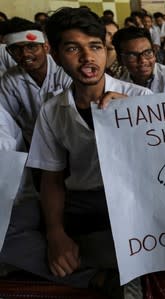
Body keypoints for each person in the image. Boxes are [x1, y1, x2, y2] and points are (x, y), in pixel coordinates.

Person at [21, 7, 152, 299]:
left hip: (137, 200)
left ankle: (111, 266)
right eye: (72, 48)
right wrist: (56, 234)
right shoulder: (54, 110)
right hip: (85, 202)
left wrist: (136, 116)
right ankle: (100, 273)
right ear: (54, 55)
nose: (87, 58)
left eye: (95, 47)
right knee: (16, 237)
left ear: (106, 51)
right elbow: (52, 179)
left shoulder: (140, 99)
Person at [0, 17, 72, 146]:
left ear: (46, 47)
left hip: (70, 142)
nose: (25, 54)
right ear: (9, 52)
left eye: (31, 46)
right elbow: (5, 119)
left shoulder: (65, 70)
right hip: (34, 145)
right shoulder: (10, 79)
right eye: (16, 49)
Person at [112, 26, 165, 93]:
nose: (143, 60)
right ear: (120, 59)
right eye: (133, 55)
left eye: (147, 53)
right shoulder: (117, 86)